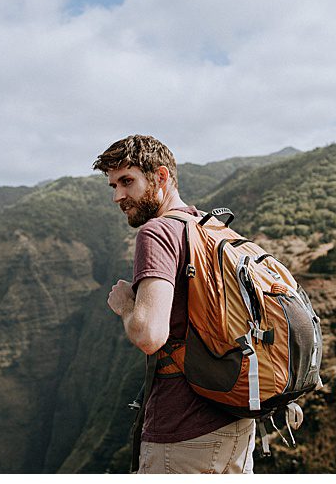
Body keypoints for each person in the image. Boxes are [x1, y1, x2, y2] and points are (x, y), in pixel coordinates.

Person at [95, 134, 256, 474]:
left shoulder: (156, 233)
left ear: (162, 177)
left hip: (184, 433)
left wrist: (126, 304)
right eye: (113, 186)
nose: (118, 196)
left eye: (127, 181)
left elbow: (149, 336)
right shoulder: (209, 228)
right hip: (237, 423)